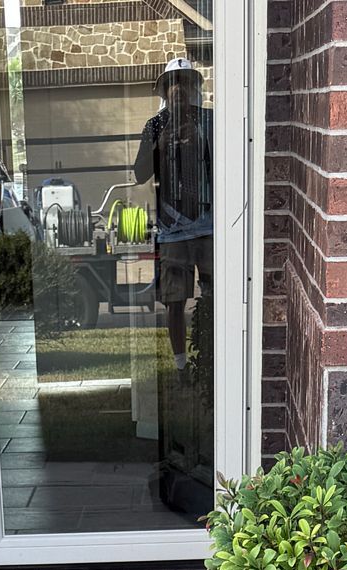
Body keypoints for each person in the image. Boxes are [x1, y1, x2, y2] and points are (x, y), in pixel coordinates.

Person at [134, 57, 211, 370]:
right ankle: (180, 365)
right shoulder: (154, 126)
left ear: (193, 87)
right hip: (171, 228)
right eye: (172, 82)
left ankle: (210, 357)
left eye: (185, 81)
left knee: (213, 297)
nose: (179, 88)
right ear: (164, 90)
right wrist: (159, 143)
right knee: (175, 299)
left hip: (208, 226)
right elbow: (140, 174)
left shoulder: (208, 120)